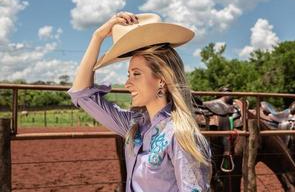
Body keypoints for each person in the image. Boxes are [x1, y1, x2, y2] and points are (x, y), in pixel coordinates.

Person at [68, 11, 212, 192]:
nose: (128, 83)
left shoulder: (181, 136)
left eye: (136, 74)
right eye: (129, 74)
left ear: (161, 79)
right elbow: (81, 94)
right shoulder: (133, 126)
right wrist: (97, 36)